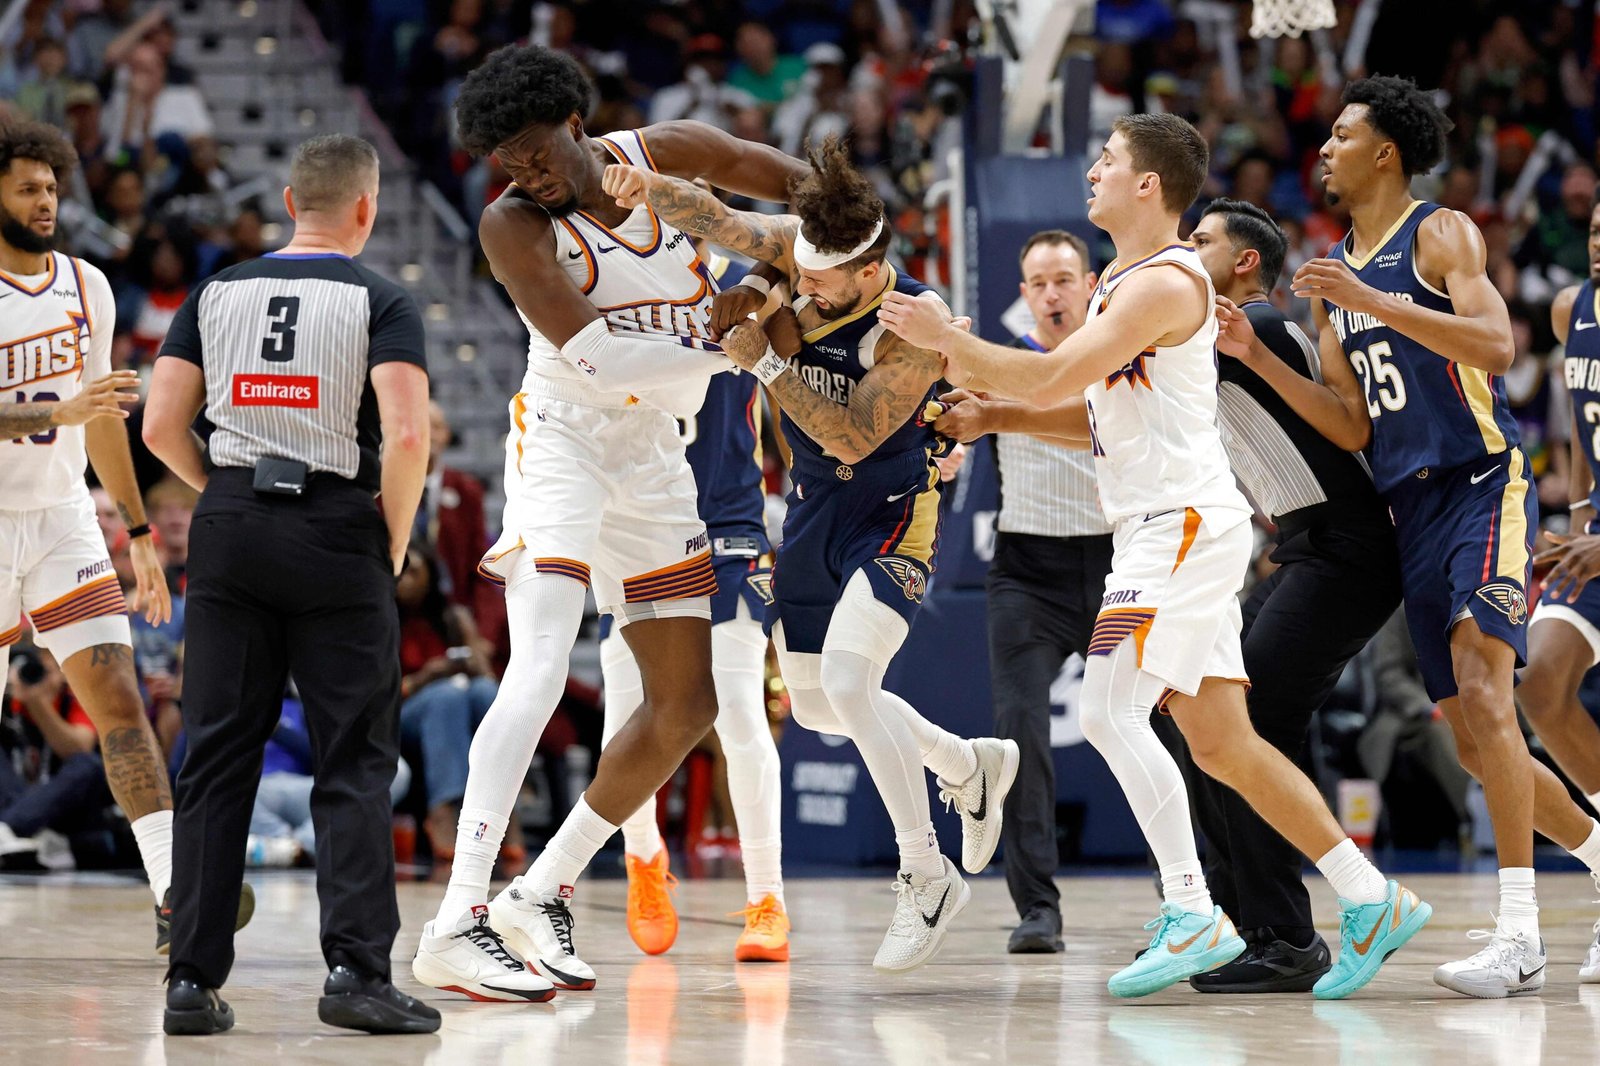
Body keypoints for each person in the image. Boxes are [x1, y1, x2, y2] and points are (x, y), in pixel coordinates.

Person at [879, 112, 1429, 1001]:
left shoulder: (1169, 283)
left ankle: (1191, 910)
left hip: (1177, 525)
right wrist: (996, 415)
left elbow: (1051, 372)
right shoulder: (1119, 284)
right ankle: (1371, 898)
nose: (1091, 170)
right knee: (1224, 744)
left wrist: (943, 337)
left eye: (1107, 159)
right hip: (1170, 524)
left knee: (1108, 710)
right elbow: (1094, 413)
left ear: (1147, 184)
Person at [410, 43, 809, 1002]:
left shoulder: (668, 153)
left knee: (688, 704)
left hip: (654, 453)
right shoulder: (511, 224)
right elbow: (602, 359)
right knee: (542, 663)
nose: (526, 170)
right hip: (564, 440)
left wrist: (791, 262)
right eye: (506, 159)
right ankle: (457, 919)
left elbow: (803, 192)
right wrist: (741, 345)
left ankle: (539, 890)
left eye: (536, 148)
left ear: (576, 124)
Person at [606, 136, 1020, 974]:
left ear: (868, 271)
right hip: (812, 515)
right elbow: (719, 217)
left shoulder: (915, 321)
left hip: (891, 512)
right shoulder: (803, 256)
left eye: (823, 280)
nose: (808, 284)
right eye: (802, 270)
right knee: (823, 711)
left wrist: (765, 361)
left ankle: (926, 873)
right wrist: (643, 183)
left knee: (850, 684)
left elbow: (853, 436)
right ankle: (966, 763)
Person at [1269, 75, 1600, 997]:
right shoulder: (1332, 276)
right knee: (1470, 742)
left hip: (1481, 484)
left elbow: (1495, 344)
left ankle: (1520, 933)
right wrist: (1259, 358)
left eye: (1342, 134)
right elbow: (1351, 423)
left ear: (1385, 152)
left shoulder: (1440, 232)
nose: (1324, 148)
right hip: (1407, 510)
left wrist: (1370, 302)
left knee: (1492, 695)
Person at [142, 133, 438, 1035]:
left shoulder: (215, 290)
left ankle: (190, 981)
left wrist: (228, 495)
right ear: (367, 206)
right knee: (352, 759)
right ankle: (355, 972)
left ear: (286, 202)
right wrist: (389, 543)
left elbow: (158, 426)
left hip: (230, 524)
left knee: (215, 756)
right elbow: (409, 436)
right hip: (337, 526)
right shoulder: (381, 298)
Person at [0, 117, 239, 950]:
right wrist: (55, 412)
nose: (45, 202)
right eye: (27, 189)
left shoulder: (86, 284)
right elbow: (71, 410)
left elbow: (102, 418)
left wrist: (137, 530)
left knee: (120, 704)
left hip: (64, 518)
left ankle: (174, 893)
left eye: (51, 188)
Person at [1179, 198, 1405, 992]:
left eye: (1201, 240)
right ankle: (1235, 922)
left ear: (1245, 262)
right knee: (1193, 713)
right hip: (1307, 547)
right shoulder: (1227, 333)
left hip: (1347, 547)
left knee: (1244, 726)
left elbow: (1112, 395)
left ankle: (1284, 937)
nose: (1186, 250)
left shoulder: (1257, 326)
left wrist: (1008, 400)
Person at [599, 261, 790, 962]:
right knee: (628, 711)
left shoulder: (751, 281)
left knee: (739, 710)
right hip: (639, 522)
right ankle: (644, 859)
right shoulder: (611, 278)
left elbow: (793, 387)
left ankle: (767, 898)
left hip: (729, 520)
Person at [932, 229, 1113, 955]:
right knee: (1019, 737)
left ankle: (1188, 895)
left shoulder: (1119, 359)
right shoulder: (1000, 368)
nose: (1051, 294)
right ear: (1023, 295)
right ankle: (1037, 907)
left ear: (1091, 285)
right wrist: (943, 457)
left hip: (1116, 566)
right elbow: (950, 433)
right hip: (1027, 573)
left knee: (1161, 725)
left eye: (1064, 279)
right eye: (1038, 283)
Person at [1516, 182, 1600, 984]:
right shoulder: (1572, 307)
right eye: (1596, 229)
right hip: (1595, 539)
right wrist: (1581, 517)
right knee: (1539, 685)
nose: (1599, 242)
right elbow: (1579, 421)